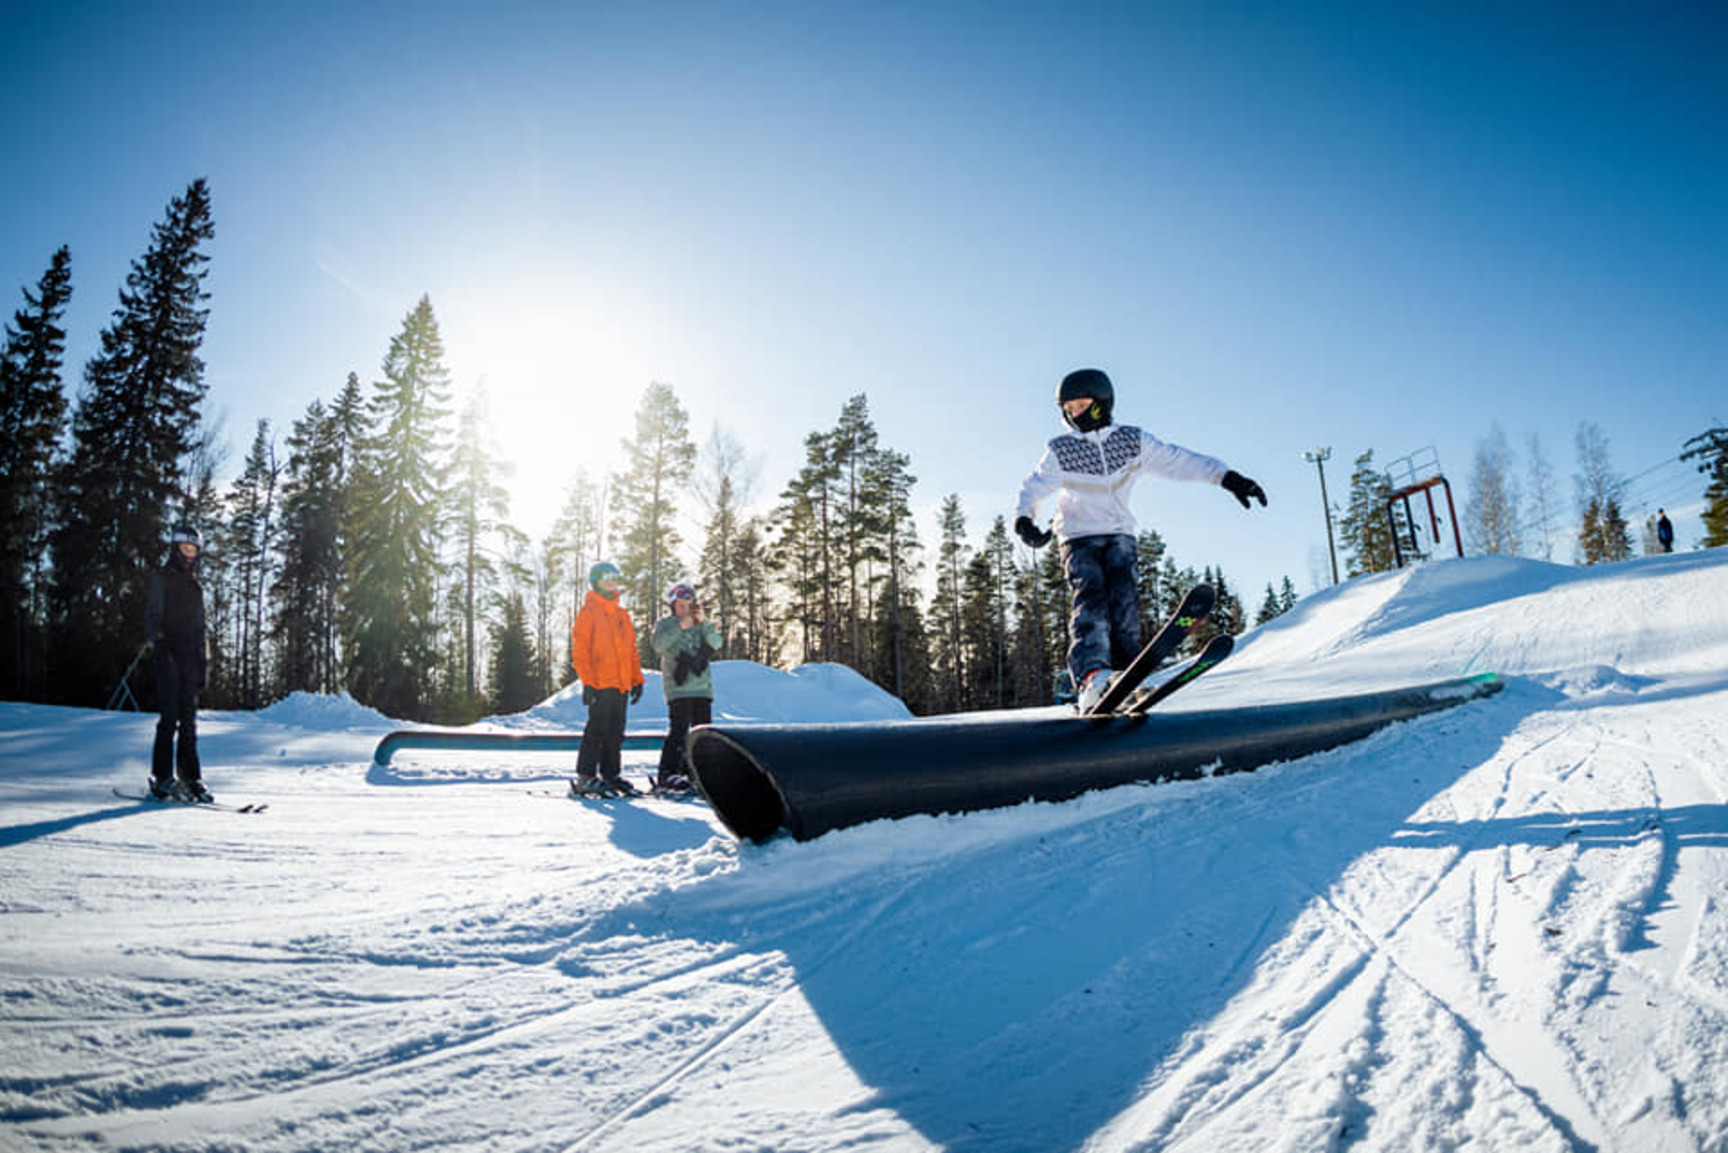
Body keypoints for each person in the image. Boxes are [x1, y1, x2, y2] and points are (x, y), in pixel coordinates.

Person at [1015, 367, 1267, 713]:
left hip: (1120, 533)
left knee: (1123, 602)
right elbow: (1035, 484)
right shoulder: (1062, 450)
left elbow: (1179, 461)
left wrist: (1227, 478)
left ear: (1101, 403)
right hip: (1077, 536)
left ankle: (1126, 673)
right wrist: (1024, 519)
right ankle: (1092, 676)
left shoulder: (1131, 442)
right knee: (1091, 598)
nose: (1073, 414)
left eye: (1079, 405)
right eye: (1068, 409)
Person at [144, 525, 211, 802]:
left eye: (193, 550)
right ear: (175, 549)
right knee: (169, 718)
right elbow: (151, 615)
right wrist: (160, 643)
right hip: (168, 655)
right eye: (185, 549)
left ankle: (190, 777)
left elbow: (201, 627)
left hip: (189, 658)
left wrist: (203, 663)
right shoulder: (163, 579)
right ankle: (162, 777)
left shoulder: (196, 586)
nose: (189, 554)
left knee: (190, 722)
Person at [569, 562, 644, 797]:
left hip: (620, 683)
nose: (611, 581)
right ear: (596, 581)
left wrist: (636, 679)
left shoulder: (622, 615)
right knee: (597, 729)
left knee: (616, 731)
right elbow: (580, 650)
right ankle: (585, 776)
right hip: (600, 683)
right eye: (605, 577)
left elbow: (631, 651)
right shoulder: (589, 611)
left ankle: (610, 775)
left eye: (614, 577)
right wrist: (588, 682)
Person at [651, 582, 723, 793]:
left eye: (688, 604)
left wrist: (704, 622)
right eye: (680, 604)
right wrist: (680, 626)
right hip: (678, 687)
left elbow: (717, 642)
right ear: (673, 605)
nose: (684, 608)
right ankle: (668, 773)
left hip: (702, 687)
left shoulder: (700, 624)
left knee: (702, 732)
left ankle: (697, 773)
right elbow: (659, 645)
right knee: (679, 729)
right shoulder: (665, 623)